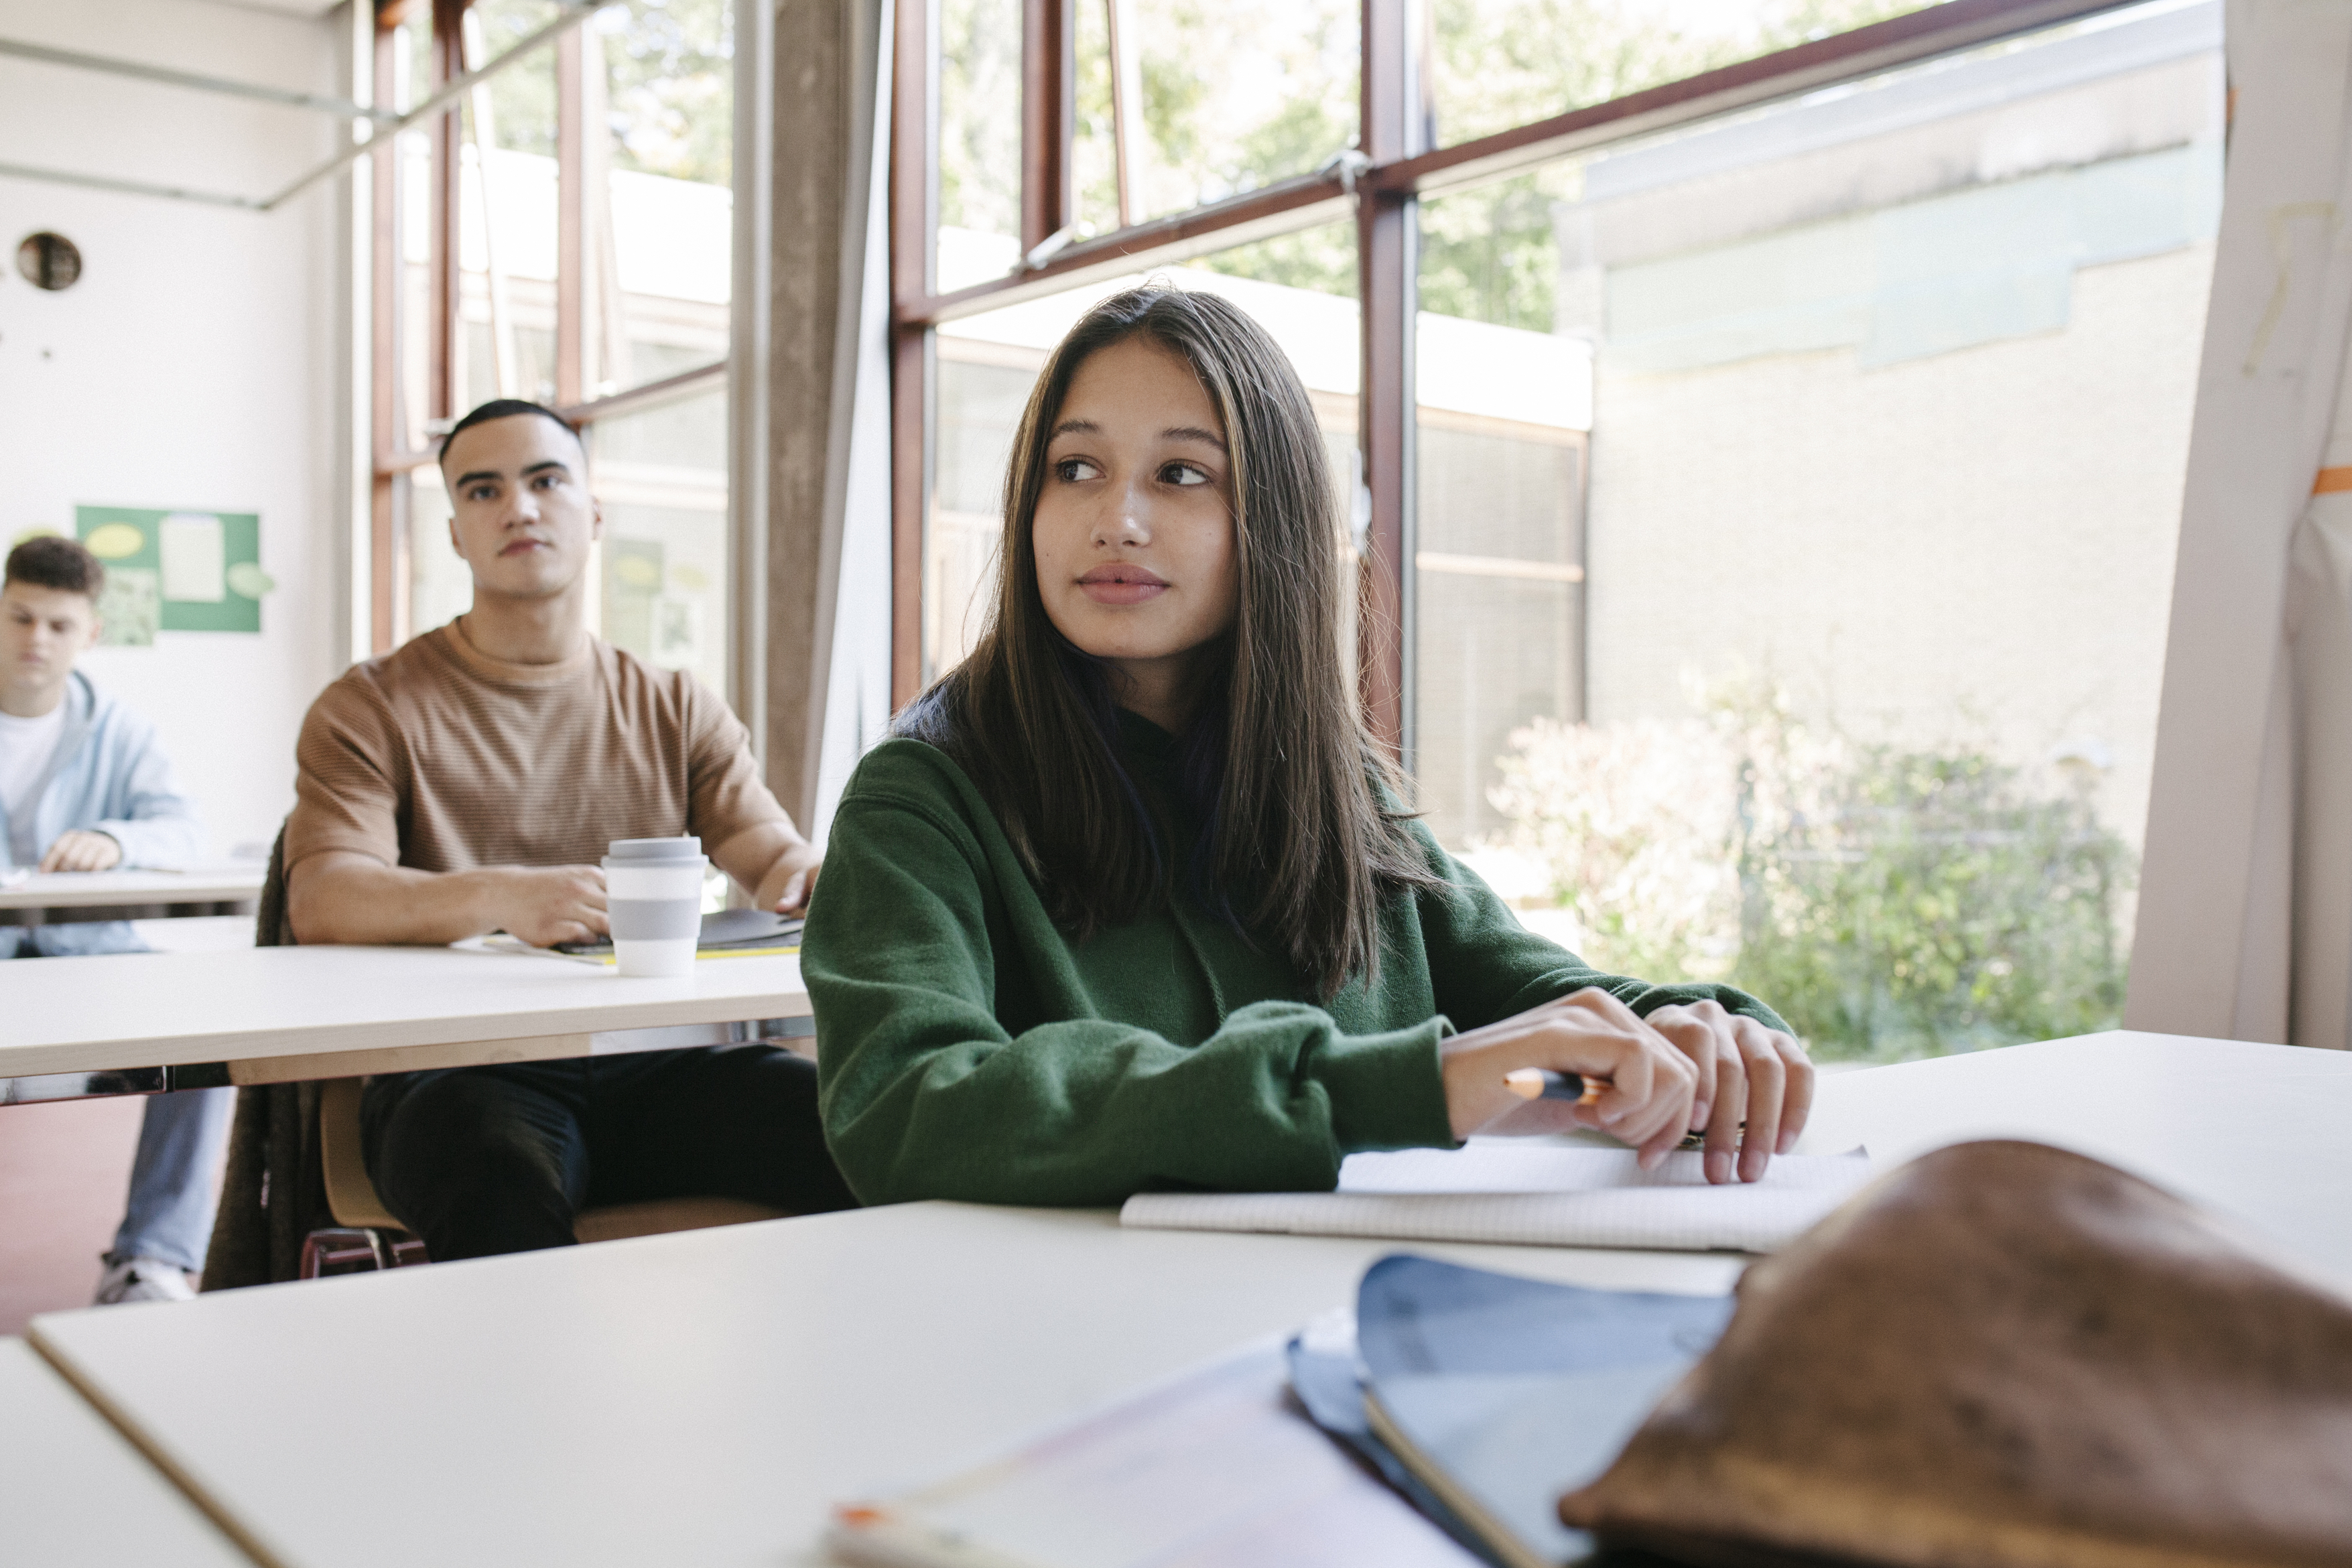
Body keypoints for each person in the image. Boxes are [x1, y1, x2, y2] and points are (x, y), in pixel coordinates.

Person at [803, 286, 1815, 1207]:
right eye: (1076, 469)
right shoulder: (921, 799)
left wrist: (1692, 1035)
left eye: (1181, 474)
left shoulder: (1335, 786)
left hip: (1364, 1320)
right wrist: (1403, 1088)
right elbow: (903, 1109)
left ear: (1271, 524)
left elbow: (1530, 1010)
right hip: (1068, 1353)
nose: (1116, 519)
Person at [283, 398, 855, 1259]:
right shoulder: (370, 706)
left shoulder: (673, 703)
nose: (519, 506)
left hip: (662, 1065)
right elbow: (325, 896)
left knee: (863, 1135)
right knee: (495, 1184)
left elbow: (767, 850)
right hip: (459, 1074)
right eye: (484, 490)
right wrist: (505, 896)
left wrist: (806, 874)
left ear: (591, 514)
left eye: (546, 480)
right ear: (454, 535)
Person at [0, 535, 225, 1304]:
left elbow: (186, 832)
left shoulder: (120, 730)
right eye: (20, 617)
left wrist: (114, 838)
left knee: (210, 1038)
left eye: (59, 626)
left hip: (90, 959)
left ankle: (151, 1258)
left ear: (90, 632)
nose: (36, 640)